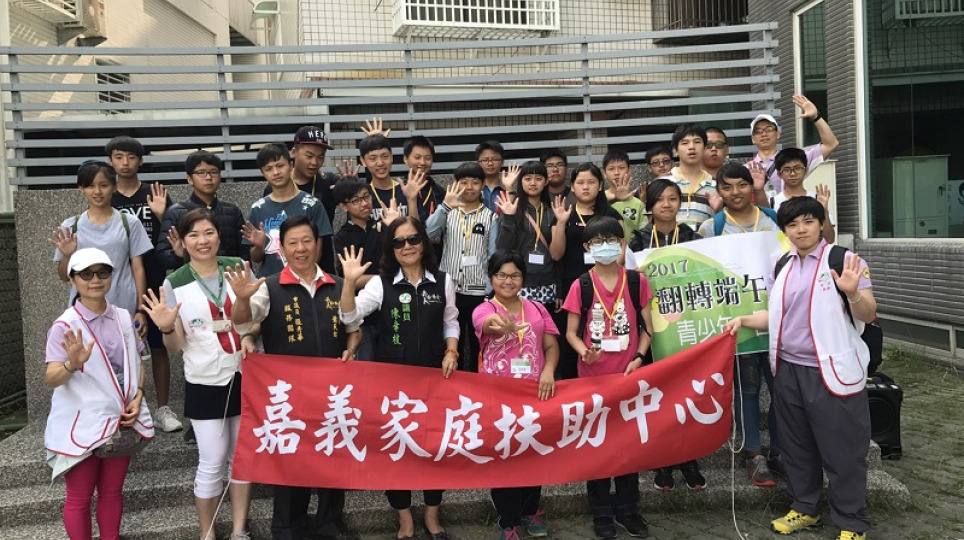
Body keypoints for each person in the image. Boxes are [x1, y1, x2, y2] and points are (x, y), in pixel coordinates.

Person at [723, 196, 877, 540]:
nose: (801, 230)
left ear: (821, 223)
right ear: (784, 231)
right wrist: (745, 320)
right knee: (796, 446)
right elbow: (777, 315)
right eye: (792, 224)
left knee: (842, 449)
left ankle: (852, 522)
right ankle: (805, 508)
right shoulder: (783, 265)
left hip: (830, 371)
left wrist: (853, 293)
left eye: (808, 221)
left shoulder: (843, 260)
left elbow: (868, 314)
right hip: (788, 369)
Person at [229, 215, 361, 540]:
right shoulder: (269, 286)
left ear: (318, 244)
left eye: (307, 241)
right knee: (290, 463)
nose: (301, 249)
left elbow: (353, 329)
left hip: (332, 395)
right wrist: (242, 299)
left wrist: (351, 350)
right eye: (293, 243)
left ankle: (330, 527)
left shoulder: (338, 284)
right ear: (282, 249)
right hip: (288, 397)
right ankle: (289, 530)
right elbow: (243, 324)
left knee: (333, 460)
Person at [338, 216, 459, 540]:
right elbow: (349, 316)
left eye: (413, 239)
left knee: (436, 447)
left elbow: (451, 321)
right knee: (397, 448)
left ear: (424, 242)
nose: (407, 246)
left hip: (435, 378)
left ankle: (432, 514)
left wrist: (451, 351)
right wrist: (349, 283)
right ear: (390, 248)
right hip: (393, 383)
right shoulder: (381, 284)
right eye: (398, 241)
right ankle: (404, 518)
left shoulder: (442, 281)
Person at [141, 210, 253, 540]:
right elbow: (176, 345)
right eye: (193, 235)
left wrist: (249, 333)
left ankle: (239, 530)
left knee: (241, 459)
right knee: (213, 459)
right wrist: (166, 327)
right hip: (204, 379)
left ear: (219, 235)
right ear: (182, 241)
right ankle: (207, 533)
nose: (202, 241)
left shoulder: (238, 266)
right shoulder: (174, 283)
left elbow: (256, 318)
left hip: (245, 374)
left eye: (209, 233)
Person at [44, 248, 154, 540]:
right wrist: (72, 364)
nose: (95, 280)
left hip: (119, 419)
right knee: (79, 498)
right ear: (72, 280)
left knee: (112, 492)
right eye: (86, 274)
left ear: (111, 276)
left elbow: (137, 364)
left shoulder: (122, 317)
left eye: (102, 272)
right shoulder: (65, 326)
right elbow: (52, 377)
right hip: (81, 422)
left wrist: (139, 395)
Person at [563, 217, 654, 540]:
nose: (605, 247)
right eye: (598, 242)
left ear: (622, 244)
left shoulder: (636, 281)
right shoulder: (582, 285)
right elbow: (571, 333)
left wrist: (639, 357)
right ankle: (601, 511)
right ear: (587, 248)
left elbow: (648, 329)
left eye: (612, 240)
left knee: (628, 446)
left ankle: (629, 509)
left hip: (628, 377)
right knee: (597, 446)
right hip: (593, 379)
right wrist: (584, 351)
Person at [473, 250, 559, 540]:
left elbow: (550, 346)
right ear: (491, 278)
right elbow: (488, 324)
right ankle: (508, 522)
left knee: (533, 453)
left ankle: (530, 510)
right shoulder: (484, 309)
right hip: (499, 400)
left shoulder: (537, 308)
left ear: (523, 278)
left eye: (514, 275)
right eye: (501, 275)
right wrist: (502, 325)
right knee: (505, 457)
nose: (507, 281)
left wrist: (549, 371)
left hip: (535, 395)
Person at [623, 179, 703, 491]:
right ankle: (663, 461)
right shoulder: (638, 241)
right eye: (660, 200)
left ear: (680, 203)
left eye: (672, 199)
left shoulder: (693, 237)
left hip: (687, 325)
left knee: (687, 393)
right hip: (653, 326)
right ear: (650, 206)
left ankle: (690, 458)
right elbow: (628, 284)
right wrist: (636, 277)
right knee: (659, 395)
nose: (666, 205)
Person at [106, 136, 181, 433]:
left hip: (155, 277)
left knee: (158, 344)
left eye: (131, 157)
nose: (125, 163)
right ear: (111, 161)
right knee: (119, 348)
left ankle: (162, 409)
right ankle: (126, 408)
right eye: (118, 156)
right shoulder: (107, 195)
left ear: (140, 161)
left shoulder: (154, 193)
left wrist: (163, 215)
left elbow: (176, 236)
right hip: (117, 282)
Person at [50, 161, 152, 347]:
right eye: (90, 186)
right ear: (81, 189)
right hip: (84, 308)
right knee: (89, 357)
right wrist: (67, 256)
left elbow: (138, 269)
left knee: (128, 358)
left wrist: (141, 310)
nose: (97, 191)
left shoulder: (130, 223)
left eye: (104, 185)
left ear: (114, 187)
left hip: (123, 305)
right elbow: (64, 277)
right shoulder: (71, 226)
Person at [425, 162, 499, 372]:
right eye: (464, 182)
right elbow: (427, 233)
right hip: (450, 288)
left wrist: (490, 289)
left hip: (479, 290)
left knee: (478, 341)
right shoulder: (448, 212)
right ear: (456, 184)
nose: (469, 187)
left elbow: (492, 254)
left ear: (482, 185)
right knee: (451, 338)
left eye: (475, 182)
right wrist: (444, 207)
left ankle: (476, 380)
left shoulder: (491, 216)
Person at [556, 162, 622, 379]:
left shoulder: (611, 214)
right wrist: (560, 223)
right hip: (573, 285)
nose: (586, 187)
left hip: (606, 285)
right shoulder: (564, 213)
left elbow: (621, 252)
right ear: (572, 187)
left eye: (591, 182)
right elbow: (556, 254)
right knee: (571, 338)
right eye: (580, 183)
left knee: (603, 333)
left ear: (601, 185)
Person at [331, 177, 399, 360]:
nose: (364, 204)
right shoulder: (342, 237)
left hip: (389, 309)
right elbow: (351, 281)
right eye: (356, 200)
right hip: (361, 315)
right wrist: (384, 278)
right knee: (365, 365)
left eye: (366, 197)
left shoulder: (384, 227)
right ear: (343, 206)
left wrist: (395, 226)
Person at [243, 143, 334, 277]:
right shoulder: (257, 209)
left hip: (303, 281)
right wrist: (259, 246)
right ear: (262, 173)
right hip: (269, 282)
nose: (276, 172)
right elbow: (256, 259)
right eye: (269, 169)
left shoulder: (313, 204)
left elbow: (317, 253)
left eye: (280, 165)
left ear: (291, 165)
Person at [157, 151, 248, 269]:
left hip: (228, 275)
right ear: (190, 179)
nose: (208, 177)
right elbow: (162, 257)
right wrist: (179, 255)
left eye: (213, 172)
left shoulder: (232, 211)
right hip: (190, 277)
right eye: (201, 173)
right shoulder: (176, 212)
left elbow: (244, 253)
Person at [495, 161, 566, 310]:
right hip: (518, 283)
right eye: (527, 179)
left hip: (547, 284)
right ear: (520, 182)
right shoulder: (512, 209)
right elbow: (503, 248)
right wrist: (508, 217)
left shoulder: (552, 211)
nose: (533, 183)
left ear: (546, 182)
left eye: (538, 179)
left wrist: (559, 288)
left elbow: (557, 256)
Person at [748, 94, 839, 201]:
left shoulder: (795, 160)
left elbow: (831, 144)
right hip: (762, 211)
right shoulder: (747, 169)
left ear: (778, 134)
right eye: (758, 131)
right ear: (753, 139)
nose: (764, 134)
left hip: (792, 210)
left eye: (769, 129)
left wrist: (816, 117)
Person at [661, 124, 722, 230]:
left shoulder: (717, 185)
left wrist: (719, 211)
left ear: (704, 148)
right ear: (675, 150)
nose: (692, 147)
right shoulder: (662, 183)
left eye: (697, 142)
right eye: (685, 143)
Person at [770, 147, 836, 242]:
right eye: (787, 169)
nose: (793, 174)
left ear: (805, 171)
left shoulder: (817, 199)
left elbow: (829, 240)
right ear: (779, 174)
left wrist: (824, 210)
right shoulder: (772, 202)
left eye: (797, 168)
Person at [360, 134, 426, 222]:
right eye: (373, 158)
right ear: (363, 161)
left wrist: (411, 200)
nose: (380, 163)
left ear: (391, 157)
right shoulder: (361, 195)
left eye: (385, 157)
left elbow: (418, 228)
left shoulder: (407, 190)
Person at [603, 149, 647, 241]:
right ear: (604, 173)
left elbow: (644, 233)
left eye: (621, 168)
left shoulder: (638, 204)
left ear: (629, 170)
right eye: (611, 169)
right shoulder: (599, 198)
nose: (616, 173)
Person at [477, 140, 507, 212]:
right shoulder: (473, 189)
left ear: (502, 162)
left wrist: (509, 189)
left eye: (495, 159)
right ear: (478, 163)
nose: (490, 163)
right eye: (485, 160)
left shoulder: (508, 189)